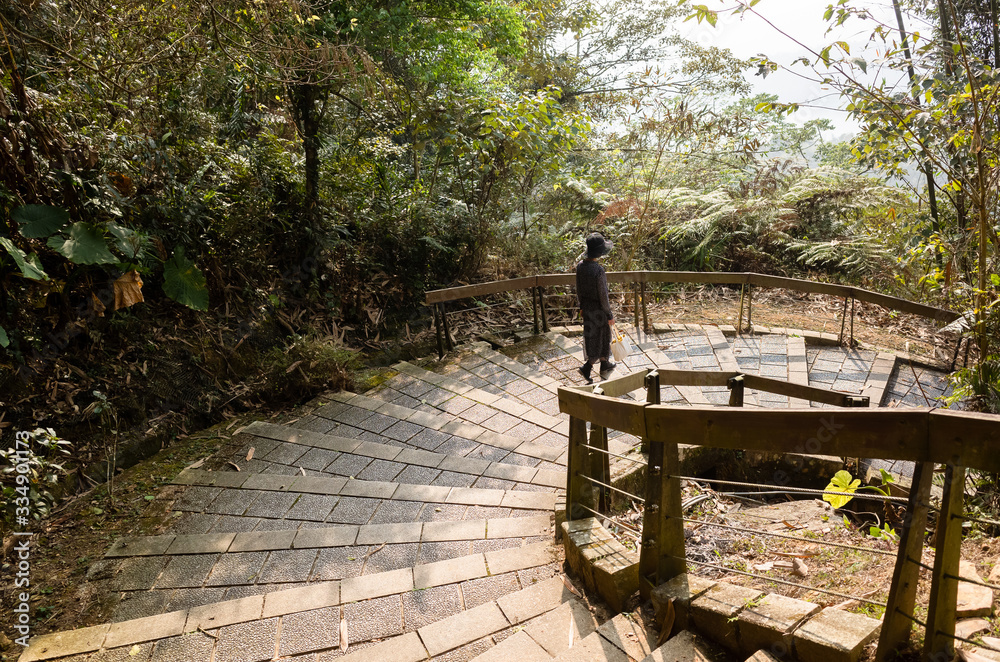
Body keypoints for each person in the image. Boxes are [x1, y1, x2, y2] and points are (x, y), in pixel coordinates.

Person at [575, 232, 616, 384]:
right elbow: (603, 295)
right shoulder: (598, 270)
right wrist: (609, 314)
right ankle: (587, 367)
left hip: (587, 308)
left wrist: (581, 306)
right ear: (598, 252)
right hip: (599, 310)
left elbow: (578, 289)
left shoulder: (580, 267)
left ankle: (604, 364)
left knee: (592, 337)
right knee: (603, 337)